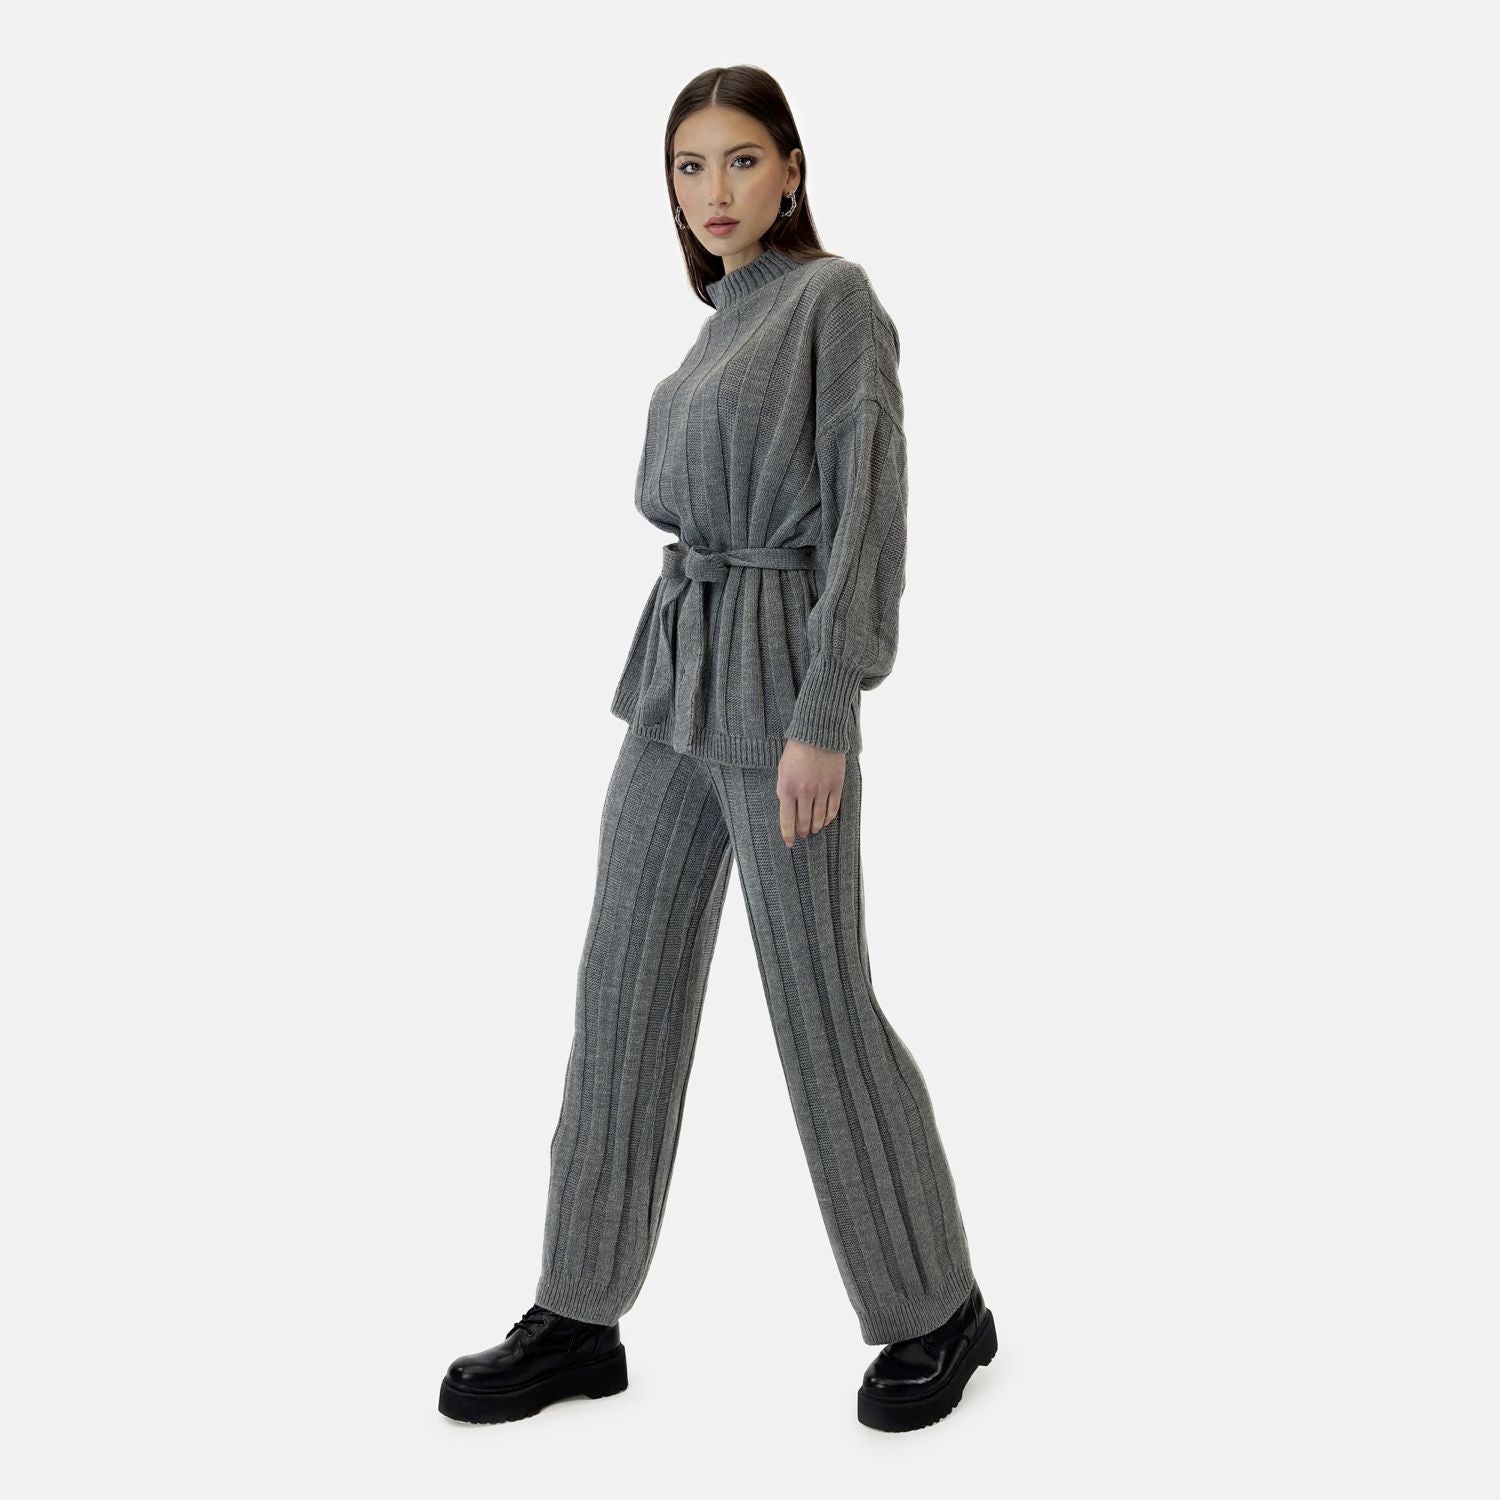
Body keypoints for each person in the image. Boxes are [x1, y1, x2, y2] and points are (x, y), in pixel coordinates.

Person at [438, 65, 994, 1434]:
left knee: (818, 1000)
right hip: (675, 670)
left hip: (777, 676)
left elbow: (869, 513)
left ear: (792, 169)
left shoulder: (832, 302)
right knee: (621, 982)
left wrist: (827, 709)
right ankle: (578, 1312)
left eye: (741, 160)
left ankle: (937, 1308)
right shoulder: (715, 327)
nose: (716, 191)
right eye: (689, 168)